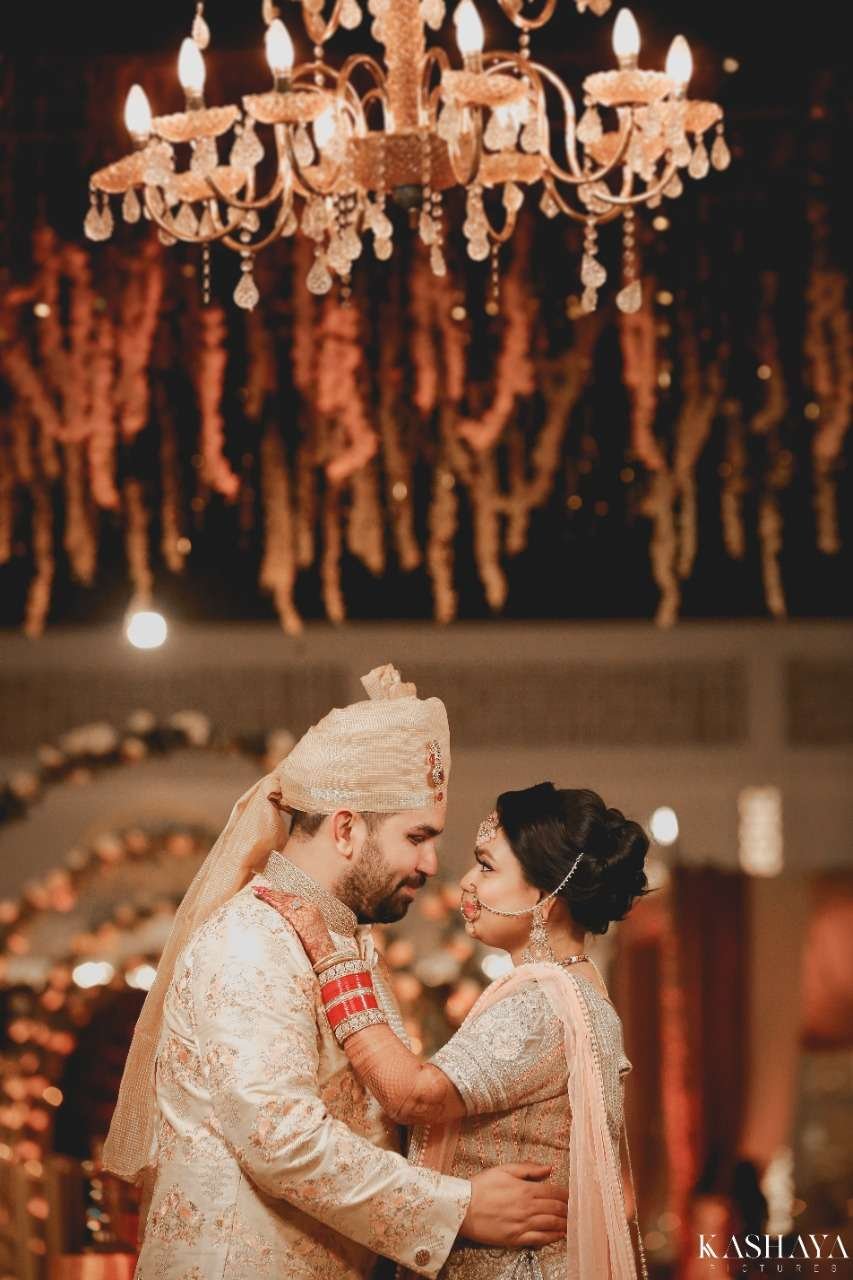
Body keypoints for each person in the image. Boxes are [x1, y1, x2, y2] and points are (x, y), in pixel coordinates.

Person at [103, 666, 569, 1279]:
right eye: (417, 837)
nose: (432, 863)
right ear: (346, 828)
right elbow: (280, 1136)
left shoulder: (337, 940)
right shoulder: (253, 939)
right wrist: (459, 1209)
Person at [257, 781, 652, 1280]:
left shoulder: (545, 1002)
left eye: (486, 867)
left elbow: (415, 1096)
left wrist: (335, 961)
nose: (465, 881)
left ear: (546, 897)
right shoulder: (573, 992)